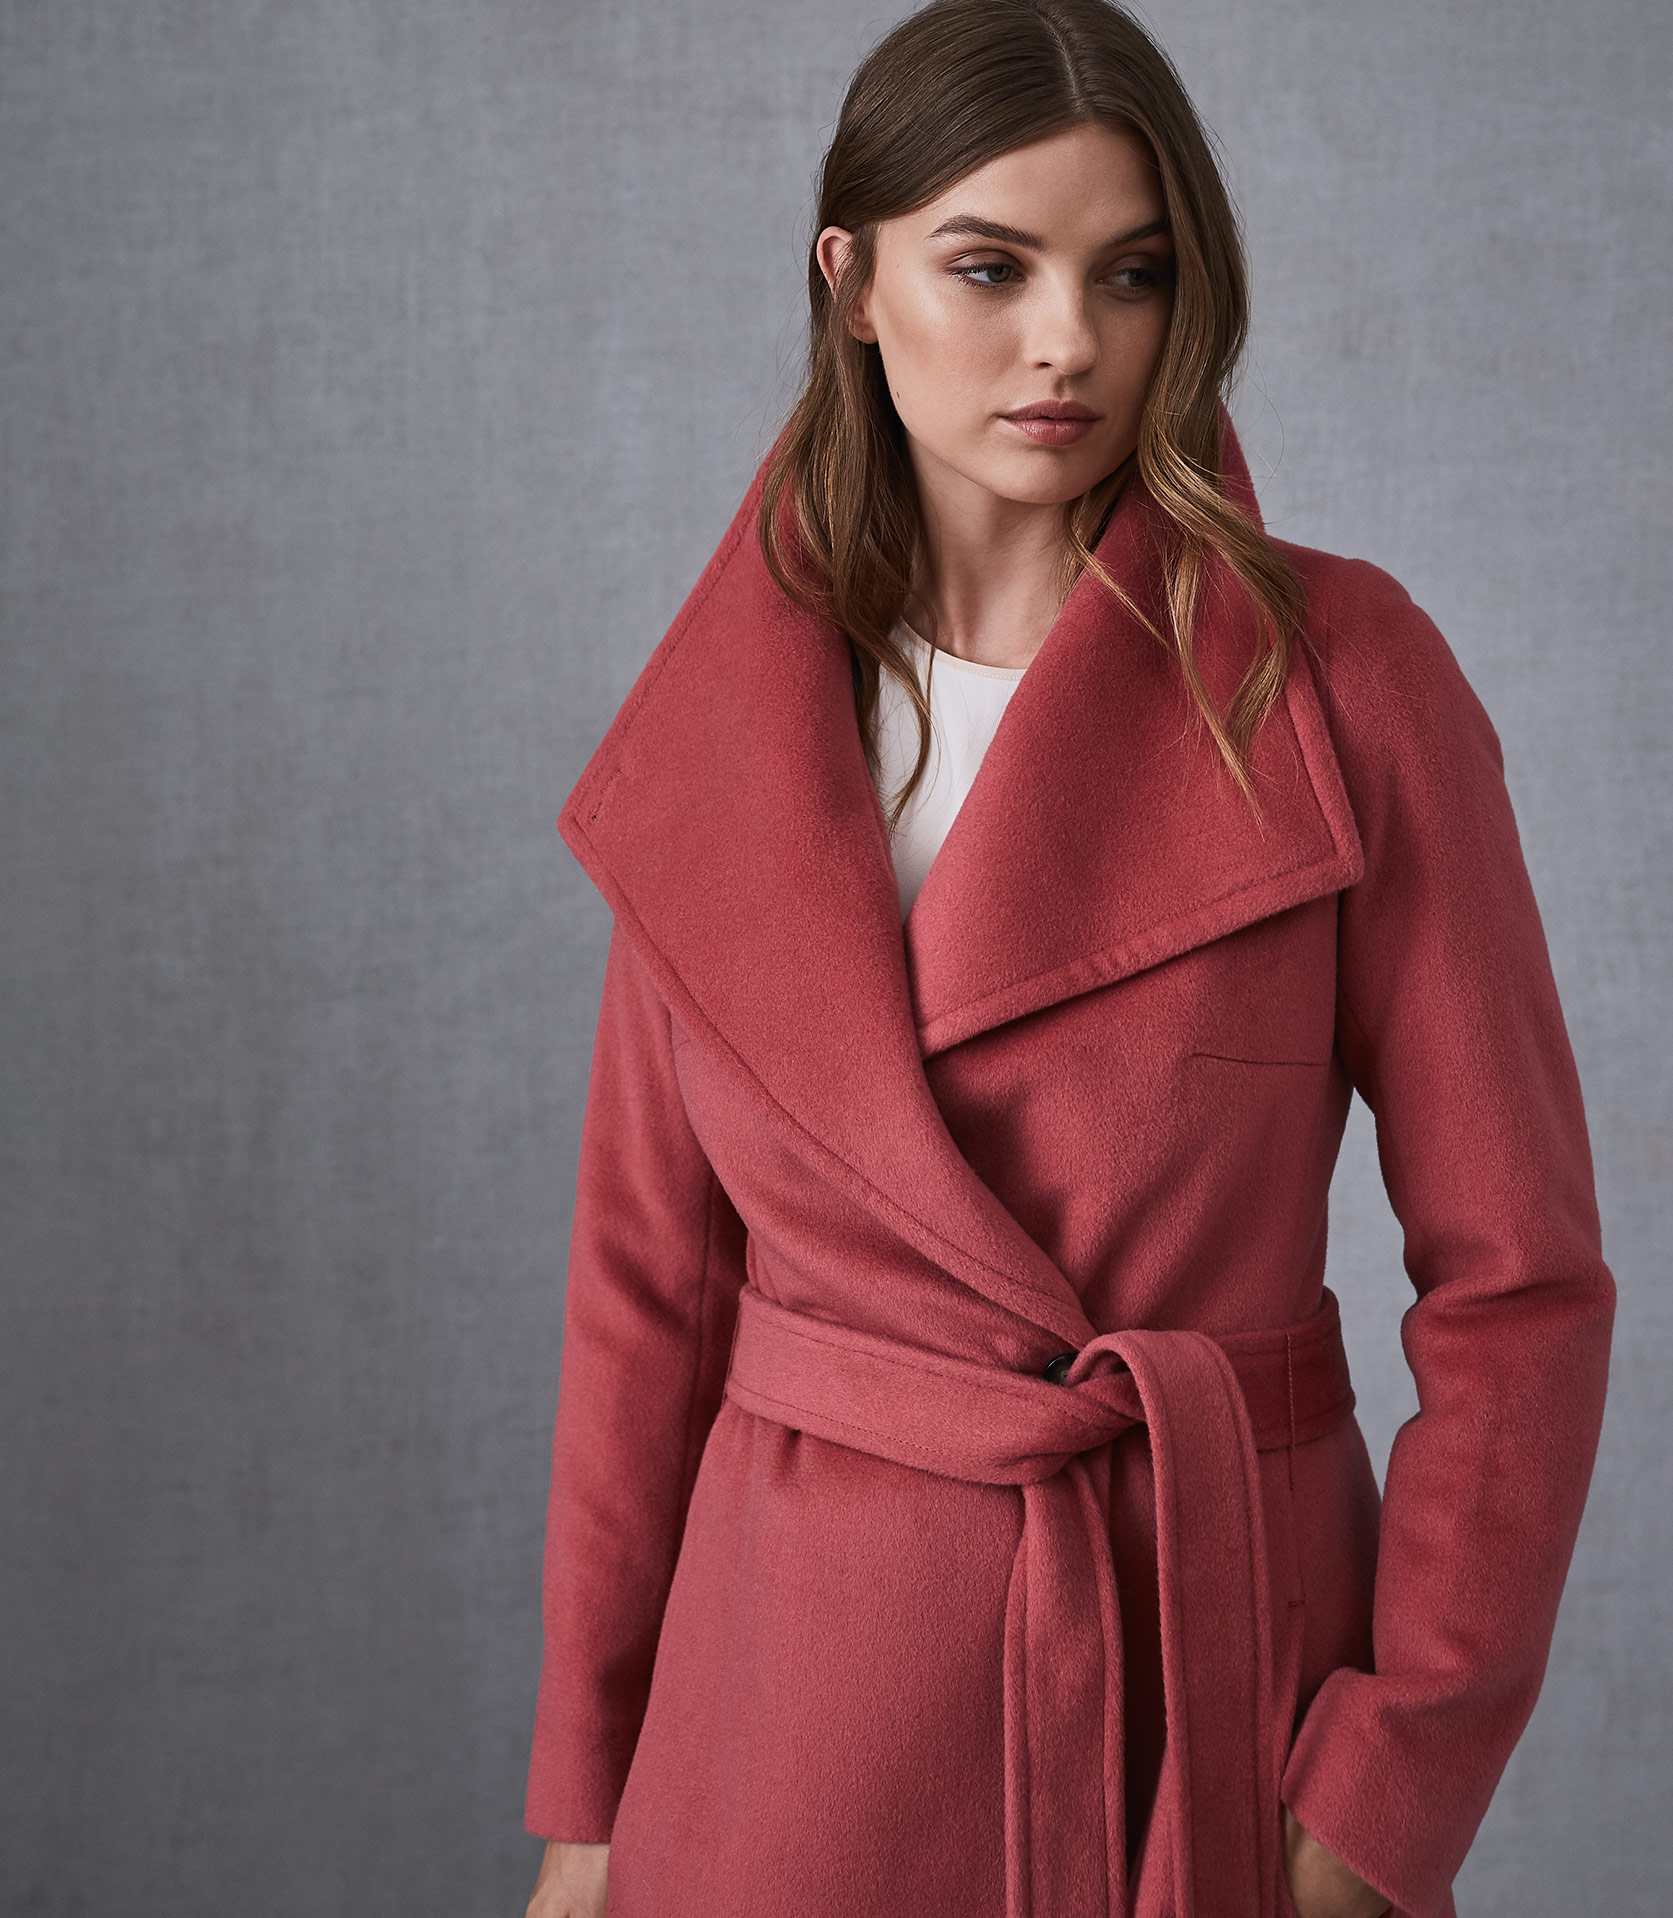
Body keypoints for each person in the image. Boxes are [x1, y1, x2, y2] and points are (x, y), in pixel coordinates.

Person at [522, 3, 1615, 1914]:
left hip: (1205, 1693)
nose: (1067, 343)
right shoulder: (724, 727)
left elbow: (1519, 1285)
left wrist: (1379, 1800)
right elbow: (646, 1301)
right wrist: (591, 1809)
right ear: (850, 283)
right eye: (989, 267)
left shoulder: (1336, 683)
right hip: (784, 1726)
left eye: (1130, 273)